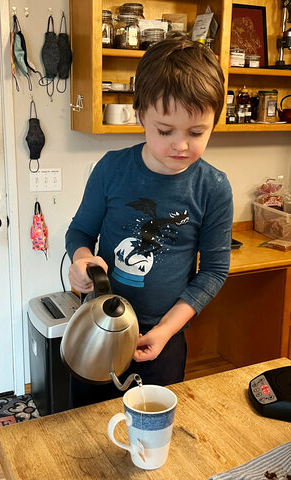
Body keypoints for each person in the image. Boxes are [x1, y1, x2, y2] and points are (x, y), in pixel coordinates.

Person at [65, 35, 233, 408]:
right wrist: (80, 261)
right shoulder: (111, 169)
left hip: (162, 337)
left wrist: (165, 331)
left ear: (214, 123)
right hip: (98, 326)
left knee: (150, 431)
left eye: (196, 132)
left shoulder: (214, 187)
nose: (181, 145)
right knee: (84, 426)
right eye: (164, 131)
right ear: (140, 114)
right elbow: (79, 231)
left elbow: (214, 271)